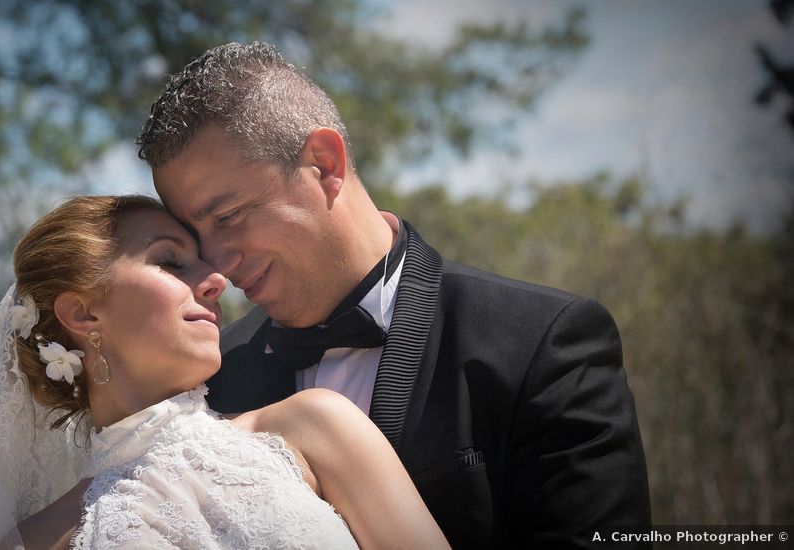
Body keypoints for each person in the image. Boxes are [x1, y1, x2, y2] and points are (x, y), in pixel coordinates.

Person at [136, 42, 653, 548]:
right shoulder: (208, 378)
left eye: (228, 216)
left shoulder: (542, 342)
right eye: (198, 234)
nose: (218, 261)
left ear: (324, 163)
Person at [0, 195, 449, 550]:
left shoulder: (315, 426)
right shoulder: (33, 541)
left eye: (204, 264)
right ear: (83, 314)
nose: (217, 281)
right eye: (171, 262)